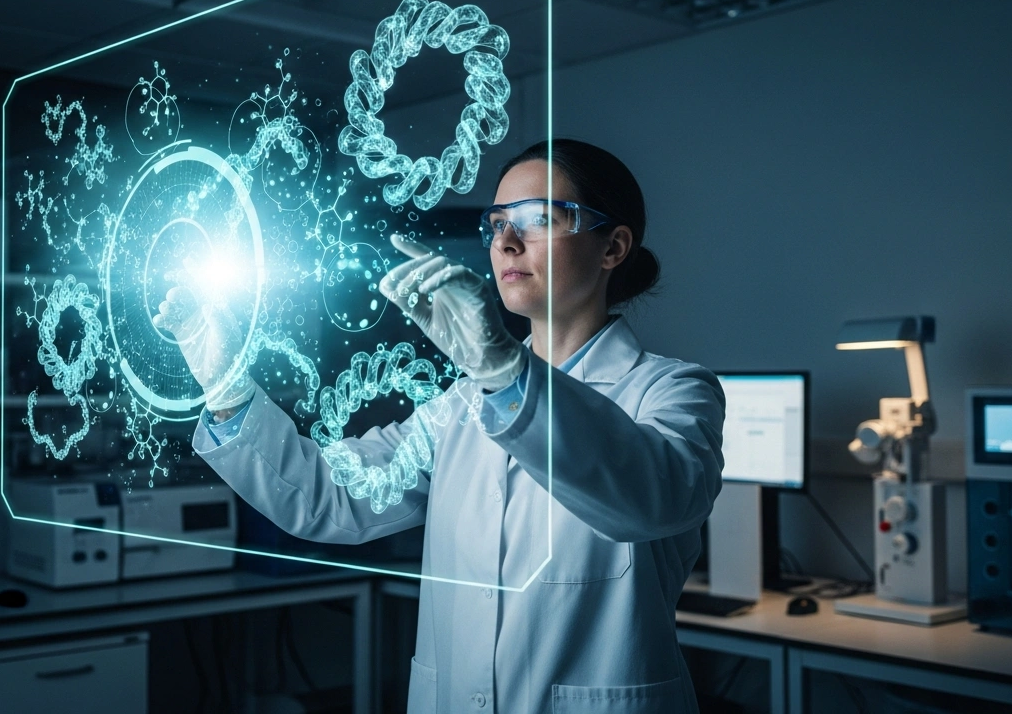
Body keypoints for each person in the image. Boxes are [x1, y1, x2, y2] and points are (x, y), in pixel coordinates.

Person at [154, 138, 725, 713]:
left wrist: (505, 372)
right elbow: (330, 497)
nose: (507, 241)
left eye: (539, 219)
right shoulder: (460, 406)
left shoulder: (672, 391)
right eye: (498, 223)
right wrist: (226, 388)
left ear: (613, 247)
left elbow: (650, 499)